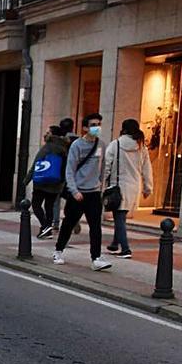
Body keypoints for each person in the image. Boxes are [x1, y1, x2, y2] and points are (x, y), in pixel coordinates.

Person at [53, 113, 111, 270]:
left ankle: (96, 258)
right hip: (78, 192)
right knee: (68, 223)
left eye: (98, 124)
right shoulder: (77, 145)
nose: (96, 127)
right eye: (93, 125)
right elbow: (69, 170)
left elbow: (103, 166)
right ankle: (58, 250)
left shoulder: (101, 145)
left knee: (95, 226)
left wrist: (101, 186)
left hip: (93, 192)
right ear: (85, 127)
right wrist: (74, 190)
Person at [103, 118, 153, 259]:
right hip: (134, 186)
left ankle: (125, 249)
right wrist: (148, 188)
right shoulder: (141, 147)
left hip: (118, 186)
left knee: (119, 217)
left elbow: (107, 166)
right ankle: (114, 243)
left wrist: (101, 183)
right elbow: (147, 169)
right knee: (121, 215)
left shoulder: (115, 144)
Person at [22, 125, 69, 239]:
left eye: (48, 132)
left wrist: (26, 180)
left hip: (42, 182)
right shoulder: (63, 148)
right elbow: (65, 167)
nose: (46, 134)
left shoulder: (47, 147)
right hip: (56, 183)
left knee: (36, 205)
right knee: (49, 206)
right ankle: (47, 230)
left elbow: (36, 164)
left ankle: (45, 226)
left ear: (52, 135)